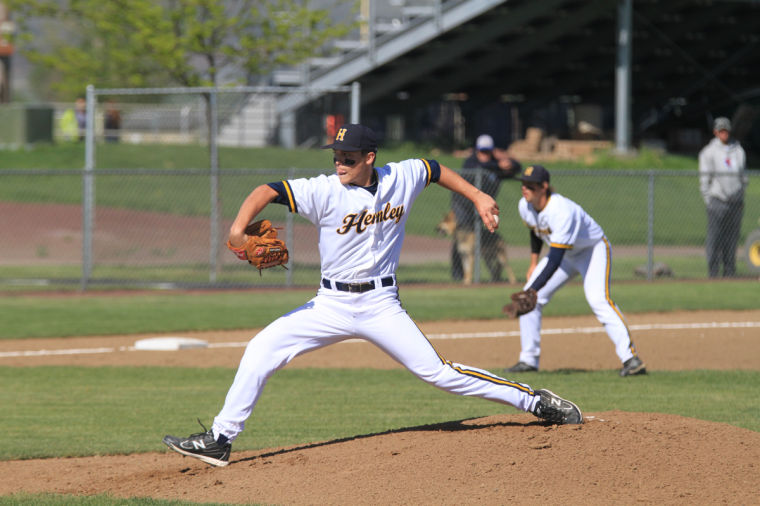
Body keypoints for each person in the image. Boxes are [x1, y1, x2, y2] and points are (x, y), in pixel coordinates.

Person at [163, 124, 583, 467]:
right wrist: (238, 230)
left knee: (439, 373)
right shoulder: (323, 190)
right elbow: (266, 191)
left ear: (369, 158)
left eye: (348, 157)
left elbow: (433, 168)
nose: (340, 163)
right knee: (261, 349)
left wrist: (477, 195)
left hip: (381, 304)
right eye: (336, 156)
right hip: (329, 304)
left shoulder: (401, 177)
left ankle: (534, 400)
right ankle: (220, 439)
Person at [504, 165, 646, 377]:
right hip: (563, 253)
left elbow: (554, 259)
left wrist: (533, 288)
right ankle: (528, 360)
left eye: (530, 185)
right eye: (523, 184)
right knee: (531, 296)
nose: (525, 188)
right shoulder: (525, 205)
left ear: (544, 187)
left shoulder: (561, 211)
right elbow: (535, 232)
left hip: (592, 250)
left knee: (598, 300)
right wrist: (533, 263)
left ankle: (631, 359)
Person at [450, 134, 520, 283]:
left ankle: (488, 275)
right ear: (477, 151)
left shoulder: (495, 164)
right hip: (463, 205)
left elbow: (517, 168)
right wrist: (498, 165)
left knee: (479, 238)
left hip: (480, 208)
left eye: (487, 152)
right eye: (482, 151)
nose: (484, 155)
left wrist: (509, 161)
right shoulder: (471, 162)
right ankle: (459, 274)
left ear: (492, 151)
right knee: (462, 239)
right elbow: (477, 167)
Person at [698, 117, 748, 278]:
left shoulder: (738, 150)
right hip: (717, 201)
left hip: (735, 202)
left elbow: (744, 177)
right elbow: (705, 180)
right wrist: (709, 200)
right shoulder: (709, 152)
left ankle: (729, 272)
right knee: (714, 239)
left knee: (731, 240)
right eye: (721, 130)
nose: (724, 133)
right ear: (715, 132)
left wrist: (741, 196)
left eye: (726, 130)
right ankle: (713, 273)